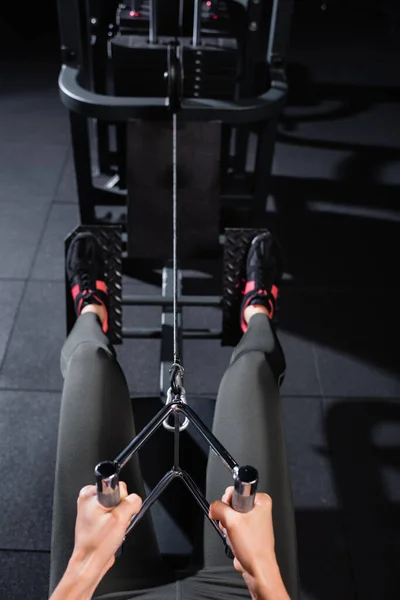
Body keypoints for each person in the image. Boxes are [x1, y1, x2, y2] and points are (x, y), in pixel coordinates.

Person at [49, 231, 299, 600]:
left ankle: (91, 308)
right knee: (253, 372)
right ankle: (257, 312)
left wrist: (84, 564)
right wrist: (262, 568)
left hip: (102, 593)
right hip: (239, 592)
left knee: (89, 364)